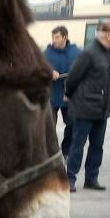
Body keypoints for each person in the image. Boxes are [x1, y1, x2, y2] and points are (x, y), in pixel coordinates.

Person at [65, 19, 110, 192]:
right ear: (108, 35)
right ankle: (69, 179)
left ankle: (91, 178)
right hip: (85, 108)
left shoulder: (109, 53)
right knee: (78, 145)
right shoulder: (89, 53)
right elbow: (73, 77)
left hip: (102, 109)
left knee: (97, 146)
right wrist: (70, 95)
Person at [43, 26, 81, 158]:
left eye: (57, 37)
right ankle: (52, 151)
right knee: (49, 127)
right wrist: (49, 71)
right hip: (52, 95)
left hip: (69, 95)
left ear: (65, 37)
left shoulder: (76, 52)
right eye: (53, 37)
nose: (54, 40)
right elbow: (39, 67)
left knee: (72, 124)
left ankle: (66, 150)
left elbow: (83, 69)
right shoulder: (46, 53)